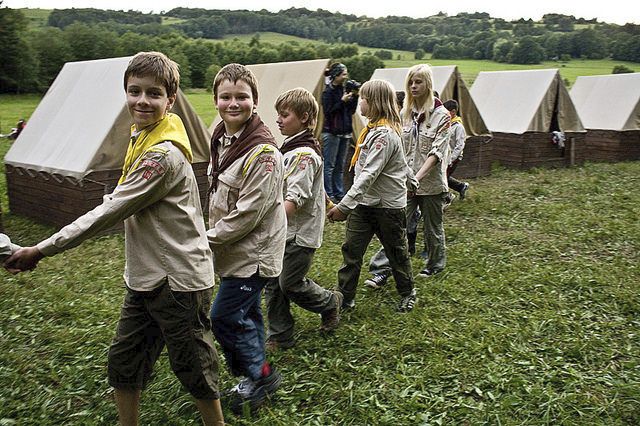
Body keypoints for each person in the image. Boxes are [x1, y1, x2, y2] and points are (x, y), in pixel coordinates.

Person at [4, 52, 225, 426]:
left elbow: (110, 210)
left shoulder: (163, 156)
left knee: (194, 367)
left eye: (153, 94)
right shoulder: (144, 136)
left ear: (170, 100)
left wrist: (40, 248)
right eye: (134, 91)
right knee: (125, 361)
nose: (142, 100)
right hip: (144, 277)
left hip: (178, 281)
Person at [207, 63, 285, 415]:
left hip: (253, 254)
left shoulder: (263, 153)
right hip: (232, 251)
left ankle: (259, 374)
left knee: (223, 317)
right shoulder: (221, 137)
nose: (233, 103)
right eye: (226, 96)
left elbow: (249, 214)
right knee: (248, 315)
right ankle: (255, 375)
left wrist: (203, 239)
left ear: (256, 100)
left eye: (242, 96)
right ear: (216, 100)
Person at [327, 79, 417, 313]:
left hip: (387, 207)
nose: (360, 102)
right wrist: (411, 178)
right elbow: (399, 163)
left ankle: (408, 292)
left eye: (364, 98)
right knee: (351, 251)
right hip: (364, 205)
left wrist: (343, 207)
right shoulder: (372, 131)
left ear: (375, 102)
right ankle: (345, 298)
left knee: (396, 251)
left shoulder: (385, 135)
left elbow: (369, 174)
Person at [264, 88, 343, 350]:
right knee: (273, 284)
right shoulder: (290, 149)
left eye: (284, 115)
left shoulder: (304, 154)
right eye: (278, 114)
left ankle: (330, 302)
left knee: (289, 283)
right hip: (282, 231)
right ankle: (280, 334)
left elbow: (296, 197)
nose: (278, 120)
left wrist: (268, 224)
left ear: (305, 117)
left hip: (299, 234)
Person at [363, 64, 451, 287]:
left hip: (430, 183)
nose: (413, 86)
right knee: (396, 225)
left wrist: (416, 179)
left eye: (418, 81)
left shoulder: (442, 116)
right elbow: (398, 149)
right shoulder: (403, 114)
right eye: (411, 82)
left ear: (428, 84)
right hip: (405, 183)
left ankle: (434, 265)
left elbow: (436, 153)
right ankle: (381, 270)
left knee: (432, 227)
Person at [321, 62, 358, 203]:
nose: (345, 76)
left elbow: (352, 111)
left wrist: (355, 97)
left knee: (340, 166)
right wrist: (342, 101)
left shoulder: (344, 90)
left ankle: (339, 194)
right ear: (336, 75)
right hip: (331, 133)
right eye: (343, 74)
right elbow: (328, 112)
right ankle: (328, 195)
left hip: (345, 132)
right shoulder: (327, 92)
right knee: (329, 166)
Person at [443, 99, 469, 202]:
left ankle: (448, 197)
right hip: (445, 156)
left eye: (446, 111)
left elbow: (460, 145)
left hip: (454, 158)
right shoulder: (448, 124)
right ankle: (461, 187)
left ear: (453, 112)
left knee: (443, 178)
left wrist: (451, 159)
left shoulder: (458, 127)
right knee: (443, 176)